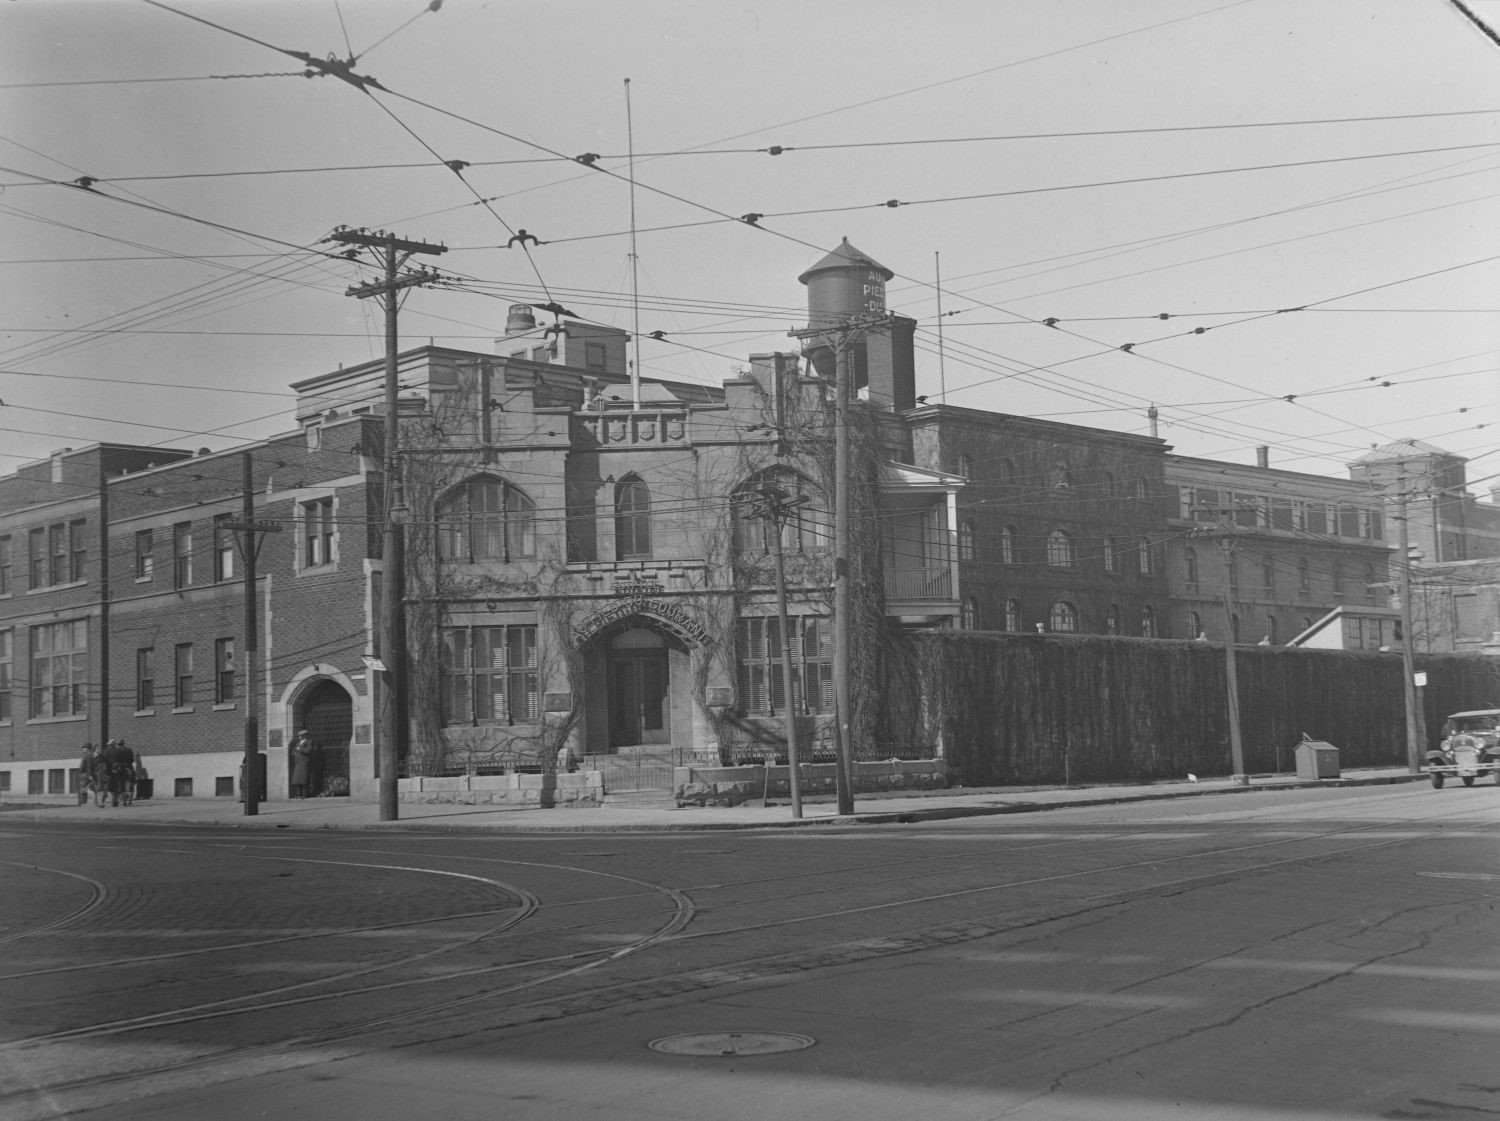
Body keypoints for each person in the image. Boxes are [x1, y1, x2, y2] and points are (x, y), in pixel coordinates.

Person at [102, 738, 136, 807]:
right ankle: (126, 801)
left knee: (111, 787)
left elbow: (105, 761)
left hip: (112, 771)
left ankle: (111, 801)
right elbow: (131, 760)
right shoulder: (124, 750)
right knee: (125, 786)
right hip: (124, 770)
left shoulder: (107, 751)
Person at [289, 729, 314, 798]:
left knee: (303, 780)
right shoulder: (298, 742)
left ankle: (304, 794)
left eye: (301, 736)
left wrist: (300, 749)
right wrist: (294, 752)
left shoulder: (309, 742)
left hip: (304, 763)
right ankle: (298, 794)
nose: (299, 737)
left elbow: (308, 750)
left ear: (304, 736)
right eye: (299, 736)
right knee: (297, 780)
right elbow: (294, 750)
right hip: (297, 763)